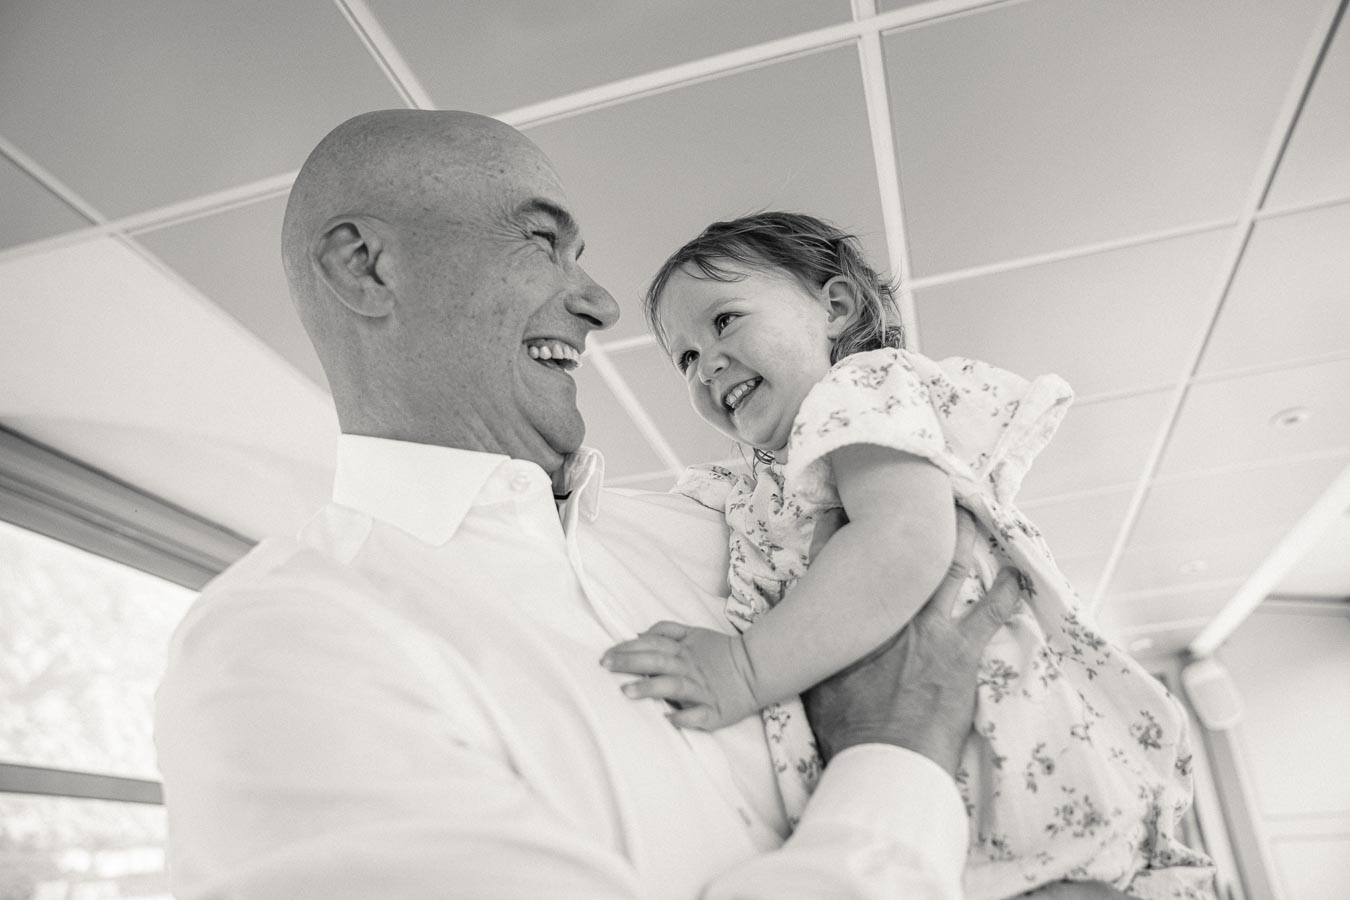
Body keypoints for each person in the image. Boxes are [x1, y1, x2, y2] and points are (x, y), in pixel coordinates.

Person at [153, 110, 1034, 899]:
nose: (602, 304)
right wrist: (896, 755)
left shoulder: (739, 532)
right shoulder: (282, 642)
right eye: (542, 242)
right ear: (368, 266)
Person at [602, 212, 1216, 898]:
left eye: (724, 322)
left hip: (1007, 736)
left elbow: (903, 542)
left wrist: (744, 672)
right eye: (684, 357)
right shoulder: (762, 475)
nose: (706, 363)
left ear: (834, 308)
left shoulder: (859, 391)